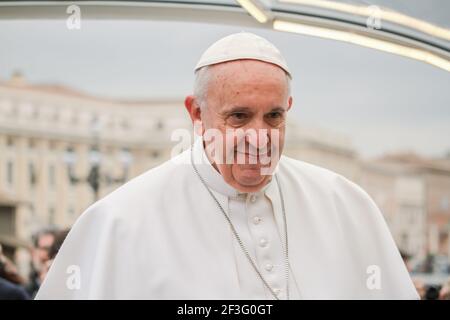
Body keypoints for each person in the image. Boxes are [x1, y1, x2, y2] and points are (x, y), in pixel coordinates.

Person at [36, 32, 418, 299]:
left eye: (273, 117)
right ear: (196, 113)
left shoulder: (345, 204)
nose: (259, 136)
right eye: (238, 117)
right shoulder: (120, 220)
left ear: (289, 109)